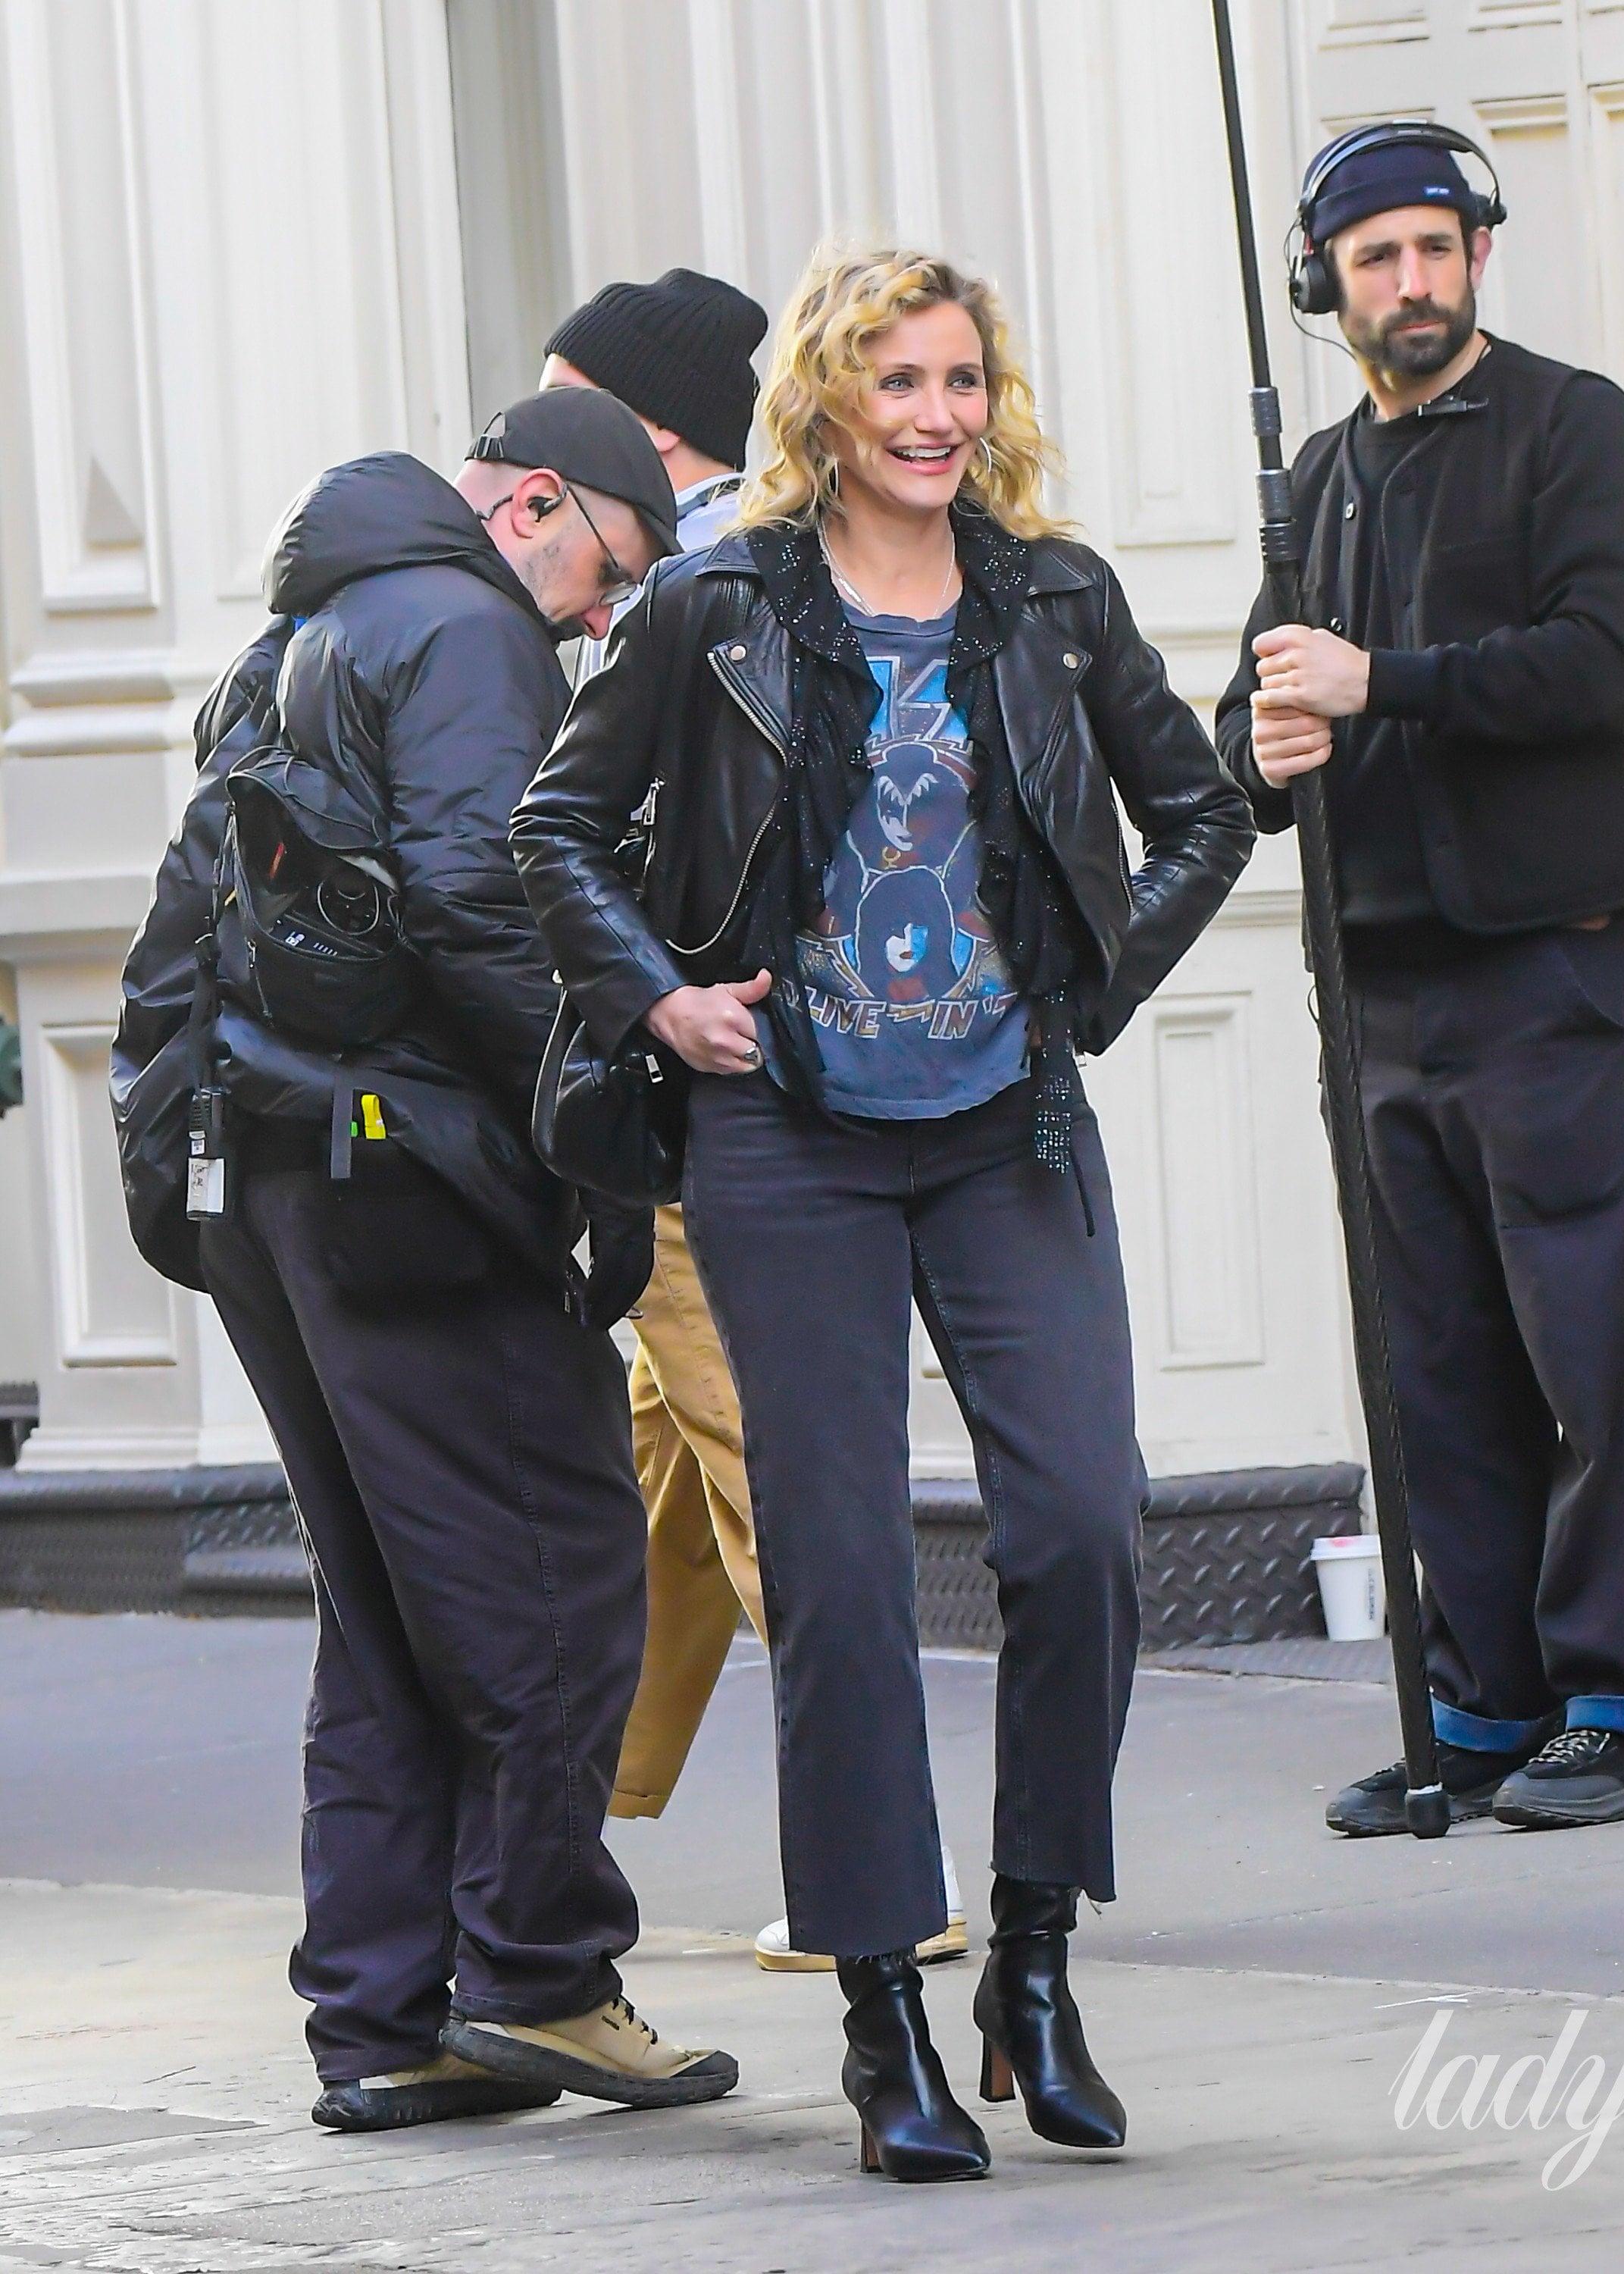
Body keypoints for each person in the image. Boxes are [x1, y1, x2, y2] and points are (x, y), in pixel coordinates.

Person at [514, 245, 1254, 2180]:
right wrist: (659, 1000)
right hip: (788, 1140)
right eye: (897, 381)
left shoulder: (1054, 600)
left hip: (1009, 1132)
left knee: (1082, 1528)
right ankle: (881, 2018)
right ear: (825, 403)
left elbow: (1199, 810)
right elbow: (556, 827)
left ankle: (1034, 1958)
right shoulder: (716, 602)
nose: (936, 416)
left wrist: (1090, 985)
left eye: (960, 380)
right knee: (837, 1575)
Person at [113, 389, 740, 2132]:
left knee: (389, 1608)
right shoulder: (466, 633)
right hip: (411, 1181)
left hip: (272, 1177)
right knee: (554, 1571)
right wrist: (607, 1138)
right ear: (534, 503)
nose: (602, 620)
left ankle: (389, 2017)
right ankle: (539, 1975)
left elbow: (184, 924)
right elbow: (486, 905)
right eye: (608, 572)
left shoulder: (293, 636)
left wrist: (175, 1174)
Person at [1214, 124, 1624, 1837]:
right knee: (1434, 1367)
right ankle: (1483, 1706)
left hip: (1549, 964)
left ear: (1478, 256)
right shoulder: (1317, 481)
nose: (1412, 281)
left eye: (1436, 247)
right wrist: (1262, 744)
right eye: (1377, 258)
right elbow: (1257, 710)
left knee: (1597, 1351)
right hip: (1381, 987)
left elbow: (1601, 666)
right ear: (1326, 285)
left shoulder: (1577, 428)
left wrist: (1384, 685)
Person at [540, 268, 971, 1969]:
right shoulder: (789, 562)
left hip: (706, 1096)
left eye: (565, 411)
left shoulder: (681, 590)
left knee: (766, 1464)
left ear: (650, 434)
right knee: (672, 1463)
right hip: (797, 1071)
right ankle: (559, 1806)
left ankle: (890, 1861)